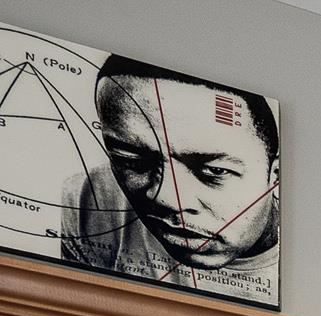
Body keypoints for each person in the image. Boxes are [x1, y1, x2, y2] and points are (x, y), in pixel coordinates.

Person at [61, 55, 280, 297]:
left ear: (275, 176)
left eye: (215, 171)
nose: (165, 197)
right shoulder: (82, 200)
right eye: (130, 160)